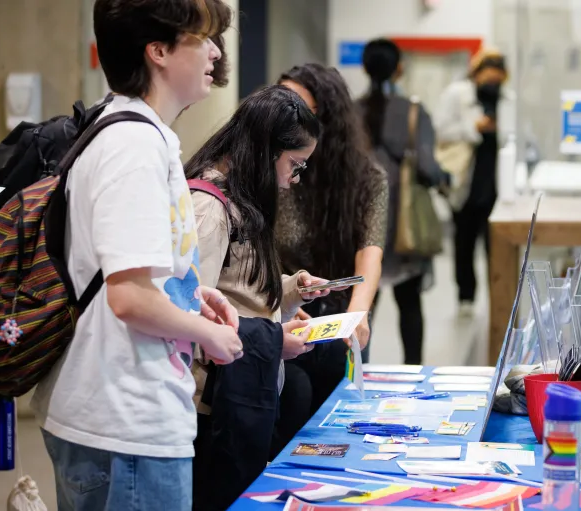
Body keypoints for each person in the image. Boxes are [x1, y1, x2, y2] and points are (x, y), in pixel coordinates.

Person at [30, 1, 240, 509]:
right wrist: (210, 334)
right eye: (202, 38)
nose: (215, 51)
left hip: (121, 418)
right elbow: (128, 298)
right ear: (159, 50)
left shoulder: (129, 131)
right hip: (124, 423)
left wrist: (192, 294)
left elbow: (128, 273)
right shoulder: (133, 144)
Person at [185, 84, 329, 510]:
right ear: (267, 150)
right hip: (211, 406)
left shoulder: (241, 198)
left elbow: (238, 289)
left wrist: (290, 288)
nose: (294, 179)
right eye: (295, 164)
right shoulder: (209, 208)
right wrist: (273, 341)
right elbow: (191, 317)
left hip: (239, 389)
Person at [271, 63, 388, 456]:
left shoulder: (366, 178)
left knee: (341, 435)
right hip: (284, 319)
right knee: (294, 423)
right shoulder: (270, 172)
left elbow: (369, 251)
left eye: (298, 105)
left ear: (326, 114)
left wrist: (358, 314)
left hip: (339, 322)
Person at [358, 38, 450, 365]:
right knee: (410, 305)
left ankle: (357, 377)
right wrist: (444, 177)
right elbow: (427, 165)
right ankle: (414, 373)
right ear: (399, 68)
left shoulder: (352, 111)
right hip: (402, 221)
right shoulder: (413, 111)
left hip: (363, 221)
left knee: (362, 306)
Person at [434, 48, 516, 317]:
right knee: (464, 243)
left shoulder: (507, 99)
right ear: (477, 74)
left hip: (496, 183)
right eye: (487, 79)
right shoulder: (458, 94)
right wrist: (474, 129)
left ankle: (498, 297)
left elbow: (515, 136)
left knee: (496, 246)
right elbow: (442, 130)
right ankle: (465, 297)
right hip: (466, 181)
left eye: (497, 80)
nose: (492, 84)